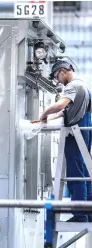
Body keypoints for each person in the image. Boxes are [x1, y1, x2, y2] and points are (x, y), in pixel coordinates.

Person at [38, 59, 92, 222]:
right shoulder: (84, 86)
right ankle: (87, 211)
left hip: (75, 133)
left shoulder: (73, 86)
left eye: (56, 77)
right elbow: (67, 111)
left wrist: (44, 114)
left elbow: (61, 105)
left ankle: (80, 214)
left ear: (62, 70)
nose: (58, 81)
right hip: (84, 130)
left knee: (75, 173)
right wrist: (49, 118)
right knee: (83, 171)